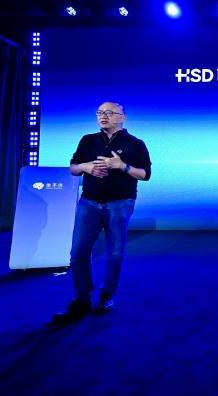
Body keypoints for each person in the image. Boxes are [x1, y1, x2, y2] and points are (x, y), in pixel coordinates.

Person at [52, 102, 151, 324]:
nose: (103, 116)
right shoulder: (88, 140)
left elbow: (145, 174)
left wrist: (122, 166)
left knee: (115, 253)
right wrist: (86, 167)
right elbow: (73, 168)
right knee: (78, 253)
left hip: (120, 204)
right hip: (88, 203)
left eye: (109, 112)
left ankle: (107, 296)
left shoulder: (135, 143)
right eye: (99, 112)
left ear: (122, 117)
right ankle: (82, 299)